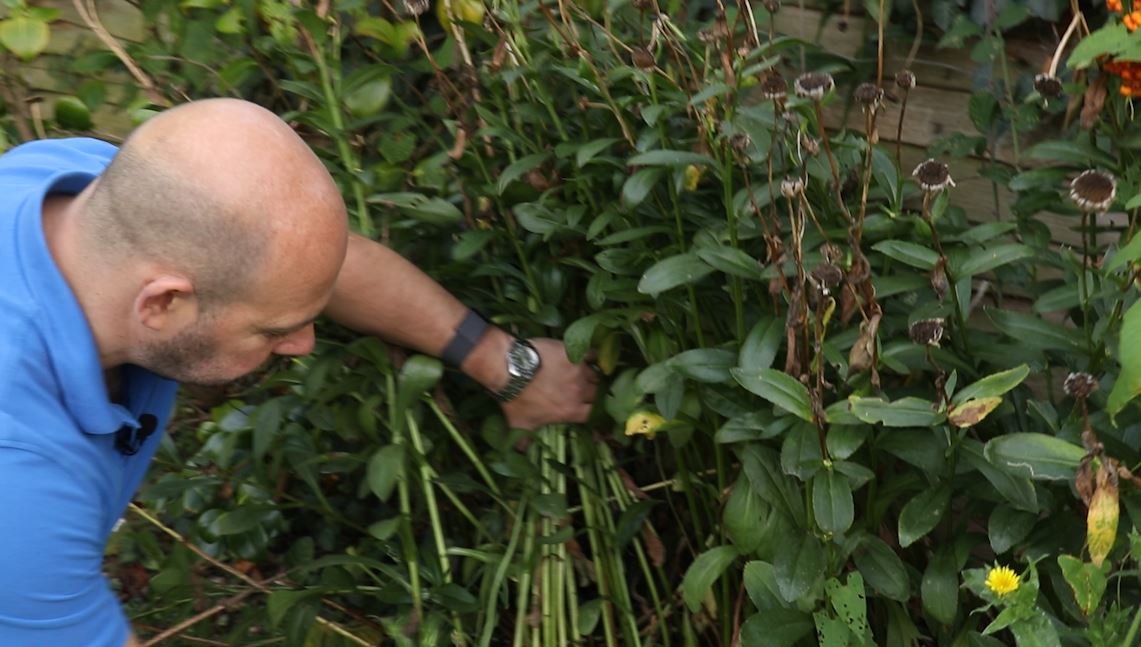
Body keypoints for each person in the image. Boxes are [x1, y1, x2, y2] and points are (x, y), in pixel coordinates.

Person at [0, 98, 598, 646]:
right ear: (162, 304)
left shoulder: (80, 195)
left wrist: (508, 365)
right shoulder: (23, 485)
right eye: (271, 331)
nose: (304, 345)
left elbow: (303, 268)